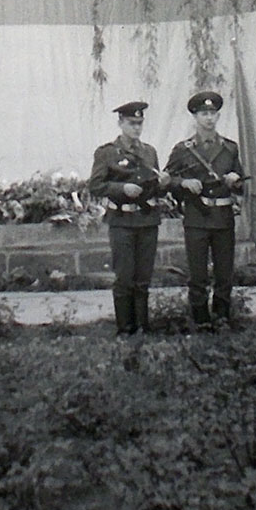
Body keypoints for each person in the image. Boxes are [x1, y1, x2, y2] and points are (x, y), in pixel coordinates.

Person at [88, 101, 170, 335]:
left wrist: (163, 184)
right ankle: (125, 329)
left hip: (147, 220)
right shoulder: (107, 153)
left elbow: (153, 187)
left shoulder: (149, 152)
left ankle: (143, 327)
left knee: (143, 277)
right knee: (124, 277)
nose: (136, 128)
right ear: (120, 123)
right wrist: (121, 189)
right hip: (122, 222)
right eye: (131, 123)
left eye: (139, 123)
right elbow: (95, 185)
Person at [165, 92, 245, 331]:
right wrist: (183, 183)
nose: (208, 118)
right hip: (197, 218)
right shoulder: (183, 149)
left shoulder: (230, 148)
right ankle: (200, 320)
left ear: (218, 116)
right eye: (203, 114)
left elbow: (241, 182)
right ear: (195, 117)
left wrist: (235, 180)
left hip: (223, 217)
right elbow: (167, 179)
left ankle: (221, 318)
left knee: (224, 274)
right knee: (198, 274)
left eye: (212, 113)